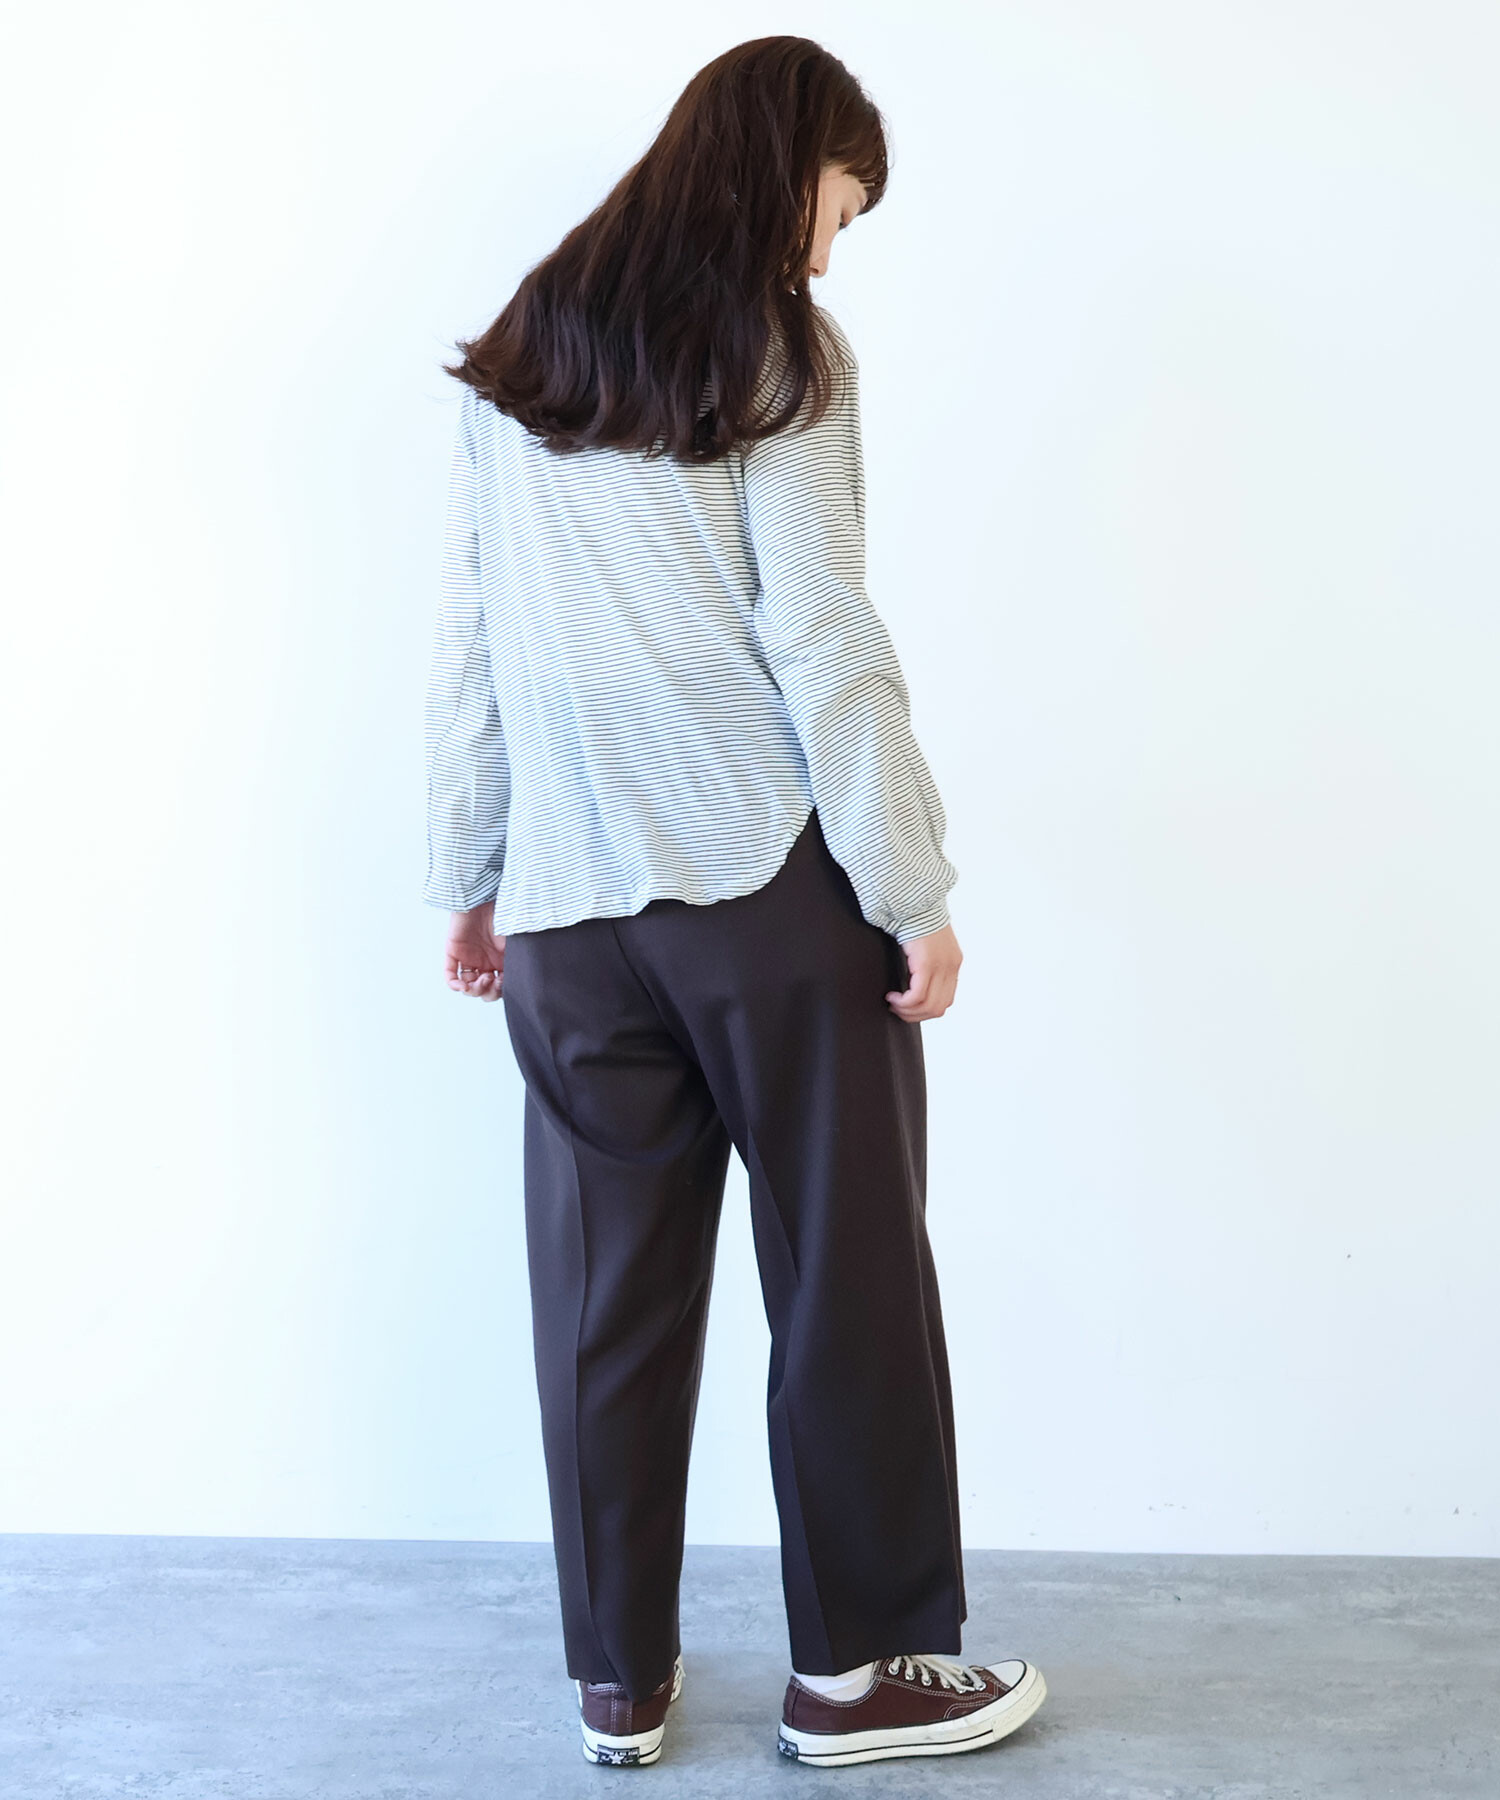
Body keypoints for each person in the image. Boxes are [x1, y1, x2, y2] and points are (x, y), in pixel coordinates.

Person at [421, 33, 1046, 1771]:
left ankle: (617, 1681)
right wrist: (911, 888)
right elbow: (822, 635)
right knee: (847, 1270)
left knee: (602, 1297)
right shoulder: (781, 350)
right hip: (766, 890)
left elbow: (472, 635)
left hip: (566, 914)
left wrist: (472, 872)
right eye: (838, 210)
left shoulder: (524, 343)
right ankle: (863, 1673)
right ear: (785, 171)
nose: (831, 255)